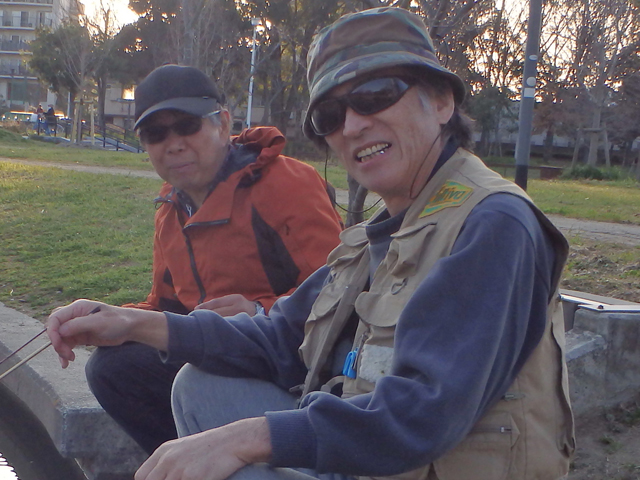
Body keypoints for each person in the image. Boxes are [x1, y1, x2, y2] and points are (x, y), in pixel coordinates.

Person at [48, 8, 575, 480]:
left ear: (441, 101)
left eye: (376, 95)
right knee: (197, 386)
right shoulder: (385, 232)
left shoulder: (492, 223)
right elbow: (280, 338)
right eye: (330, 115)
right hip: (367, 452)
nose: (353, 125)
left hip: (409, 457)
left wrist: (244, 439)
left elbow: (420, 415)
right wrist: (130, 323)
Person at [81, 64, 344, 455]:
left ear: (223, 124)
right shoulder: (170, 208)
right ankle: (184, 463)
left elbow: (341, 295)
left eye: (187, 126)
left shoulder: (288, 184)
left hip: (291, 360)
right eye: (155, 134)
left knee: (190, 375)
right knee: (112, 367)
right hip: (214, 351)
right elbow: (166, 307)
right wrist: (101, 318)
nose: (173, 145)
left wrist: (259, 311)